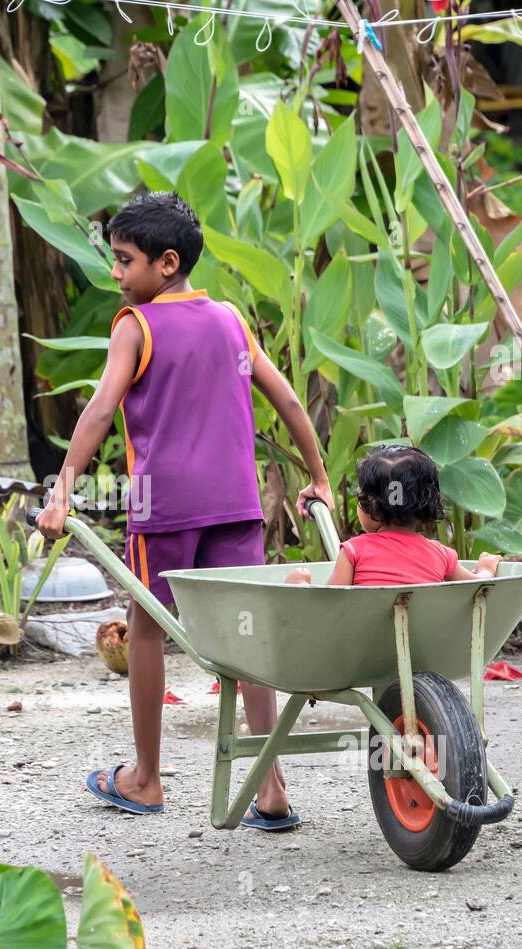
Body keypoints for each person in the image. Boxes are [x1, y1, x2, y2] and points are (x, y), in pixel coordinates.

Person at [35, 191, 334, 832]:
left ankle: (144, 779)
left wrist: (62, 488)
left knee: (148, 629)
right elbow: (286, 400)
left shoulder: (134, 326)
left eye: (124, 261)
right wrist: (318, 475)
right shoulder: (230, 319)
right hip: (237, 506)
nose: (116, 275)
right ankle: (272, 788)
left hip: (163, 507)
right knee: (247, 631)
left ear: (165, 263)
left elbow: (97, 411)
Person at [285, 445, 502, 588]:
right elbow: (477, 586)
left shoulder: (353, 552)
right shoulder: (441, 554)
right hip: (421, 643)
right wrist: (485, 568)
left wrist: (299, 585)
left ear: (369, 504)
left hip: (363, 647)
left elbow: (331, 605)